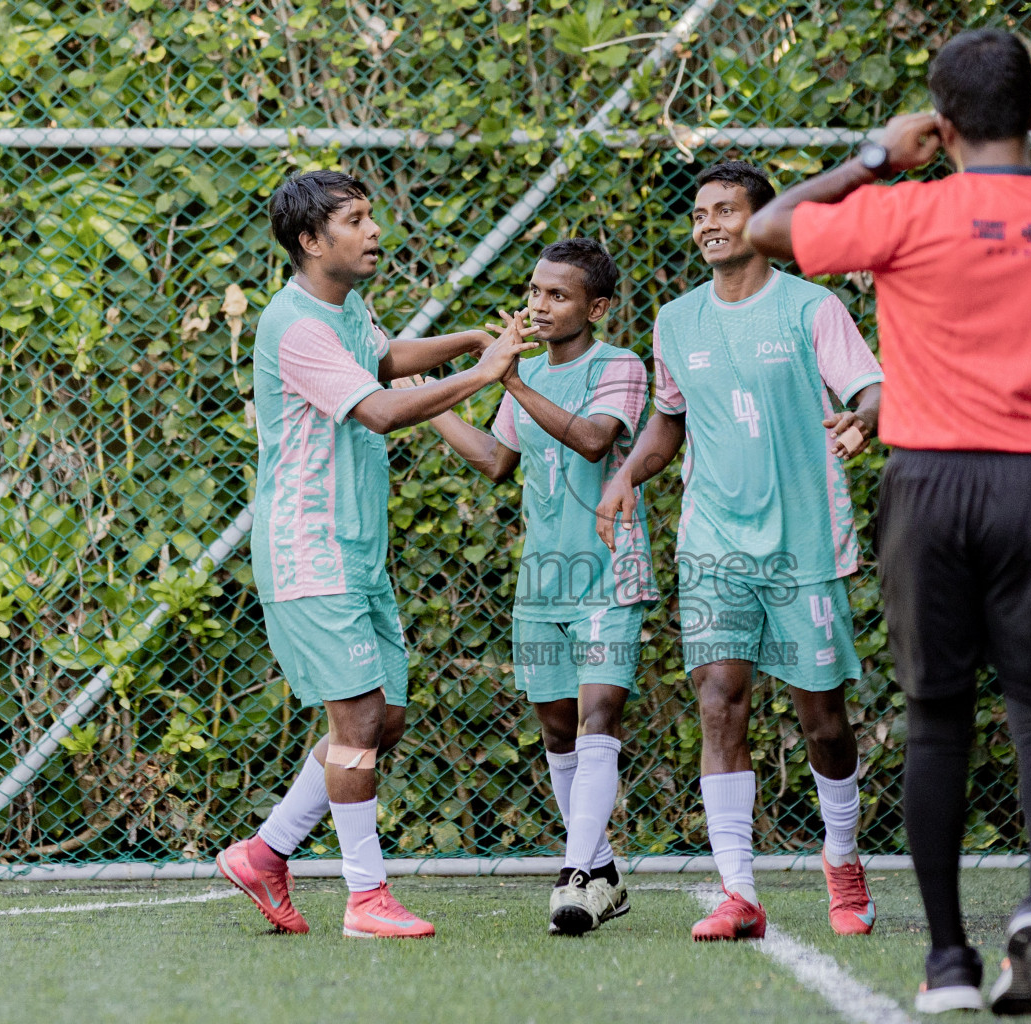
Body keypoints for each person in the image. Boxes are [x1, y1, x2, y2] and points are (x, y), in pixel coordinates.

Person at [746, 29, 1031, 1015]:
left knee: (937, 719)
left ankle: (949, 962)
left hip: (928, 487)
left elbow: (767, 230)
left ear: (942, 118)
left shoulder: (900, 211)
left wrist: (879, 156)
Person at [216, 169, 537, 939]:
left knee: (382, 719)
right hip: (307, 548)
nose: (373, 232)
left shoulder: (345, 306)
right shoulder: (293, 326)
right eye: (355, 221)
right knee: (356, 718)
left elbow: (384, 359)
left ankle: (265, 854)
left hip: (356, 549)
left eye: (370, 217)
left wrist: (464, 339)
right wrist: (481, 372)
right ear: (310, 241)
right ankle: (366, 899)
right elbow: (383, 409)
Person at [596, 160, 885, 942]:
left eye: (725, 211)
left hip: (803, 543)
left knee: (822, 718)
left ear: (761, 224)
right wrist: (627, 474)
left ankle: (843, 858)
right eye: (699, 215)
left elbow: (871, 389)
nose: (707, 225)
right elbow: (669, 420)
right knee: (720, 700)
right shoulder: (676, 321)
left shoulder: (811, 308)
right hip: (714, 541)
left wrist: (864, 418)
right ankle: (739, 891)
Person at [425, 238, 654, 936]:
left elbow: (592, 439)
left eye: (558, 295)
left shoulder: (619, 365)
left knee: (597, 717)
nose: (539, 305)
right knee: (557, 729)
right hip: (542, 579)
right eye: (534, 292)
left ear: (597, 306)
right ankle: (603, 870)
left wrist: (513, 380)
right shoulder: (522, 377)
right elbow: (497, 460)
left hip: (608, 574)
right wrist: (423, 403)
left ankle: (574, 876)